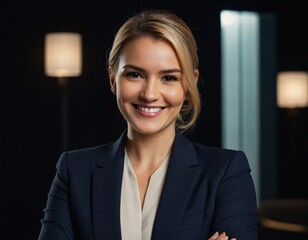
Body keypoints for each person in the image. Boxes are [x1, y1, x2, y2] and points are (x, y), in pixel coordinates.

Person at [38, 9, 258, 240]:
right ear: (113, 79)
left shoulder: (226, 173)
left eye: (169, 78)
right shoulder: (74, 170)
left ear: (190, 83)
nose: (150, 94)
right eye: (135, 75)